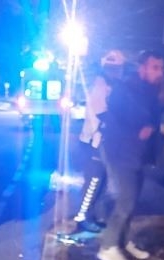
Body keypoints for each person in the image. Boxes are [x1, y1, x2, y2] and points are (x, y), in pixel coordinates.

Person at [96, 50, 164, 260]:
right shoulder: (125, 90)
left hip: (138, 154)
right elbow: (114, 120)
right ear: (142, 68)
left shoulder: (150, 91)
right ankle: (107, 247)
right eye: (155, 68)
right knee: (126, 200)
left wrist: (150, 130)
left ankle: (123, 241)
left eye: (161, 68)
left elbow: (152, 122)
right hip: (122, 153)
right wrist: (138, 131)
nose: (160, 73)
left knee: (132, 202)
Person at [71, 49, 127, 235]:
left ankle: (91, 215)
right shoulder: (100, 84)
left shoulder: (113, 85)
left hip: (101, 141)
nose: (116, 72)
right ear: (105, 68)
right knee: (93, 181)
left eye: (118, 68)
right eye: (112, 68)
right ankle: (82, 218)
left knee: (100, 181)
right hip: (93, 142)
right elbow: (101, 113)